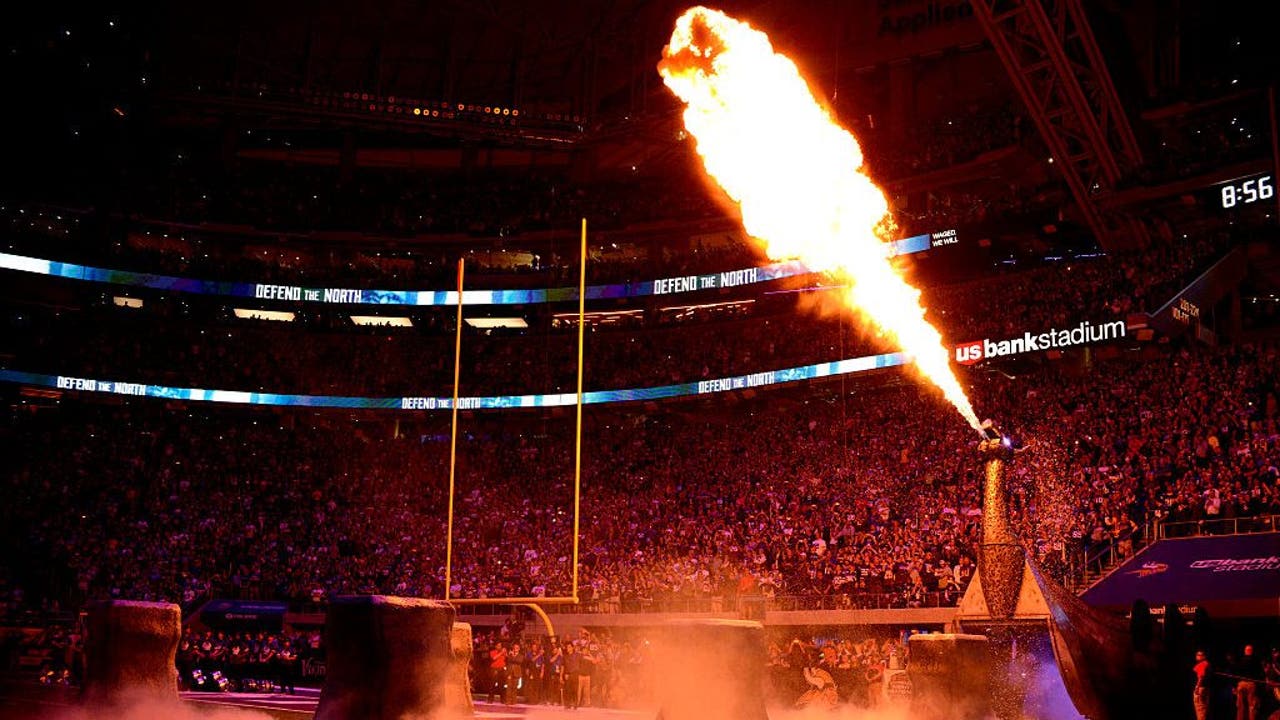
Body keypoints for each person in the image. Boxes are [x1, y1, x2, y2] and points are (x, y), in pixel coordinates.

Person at [1235, 644, 1262, 720]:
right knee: (1251, 706)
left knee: (1241, 706)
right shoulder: (1256, 660)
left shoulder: (1240, 660)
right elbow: (1259, 673)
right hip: (1251, 684)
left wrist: (1235, 684)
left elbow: (1236, 672)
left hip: (1242, 684)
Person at [1192, 649, 1211, 720]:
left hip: (1200, 689)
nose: (1196, 656)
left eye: (1198, 655)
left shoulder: (1202, 664)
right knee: (1204, 710)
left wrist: (1197, 687)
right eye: (1196, 654)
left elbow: (1201, 676)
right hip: (1205, 689)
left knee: (1200, 710)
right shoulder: (1207, 664)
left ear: (1204, 656)